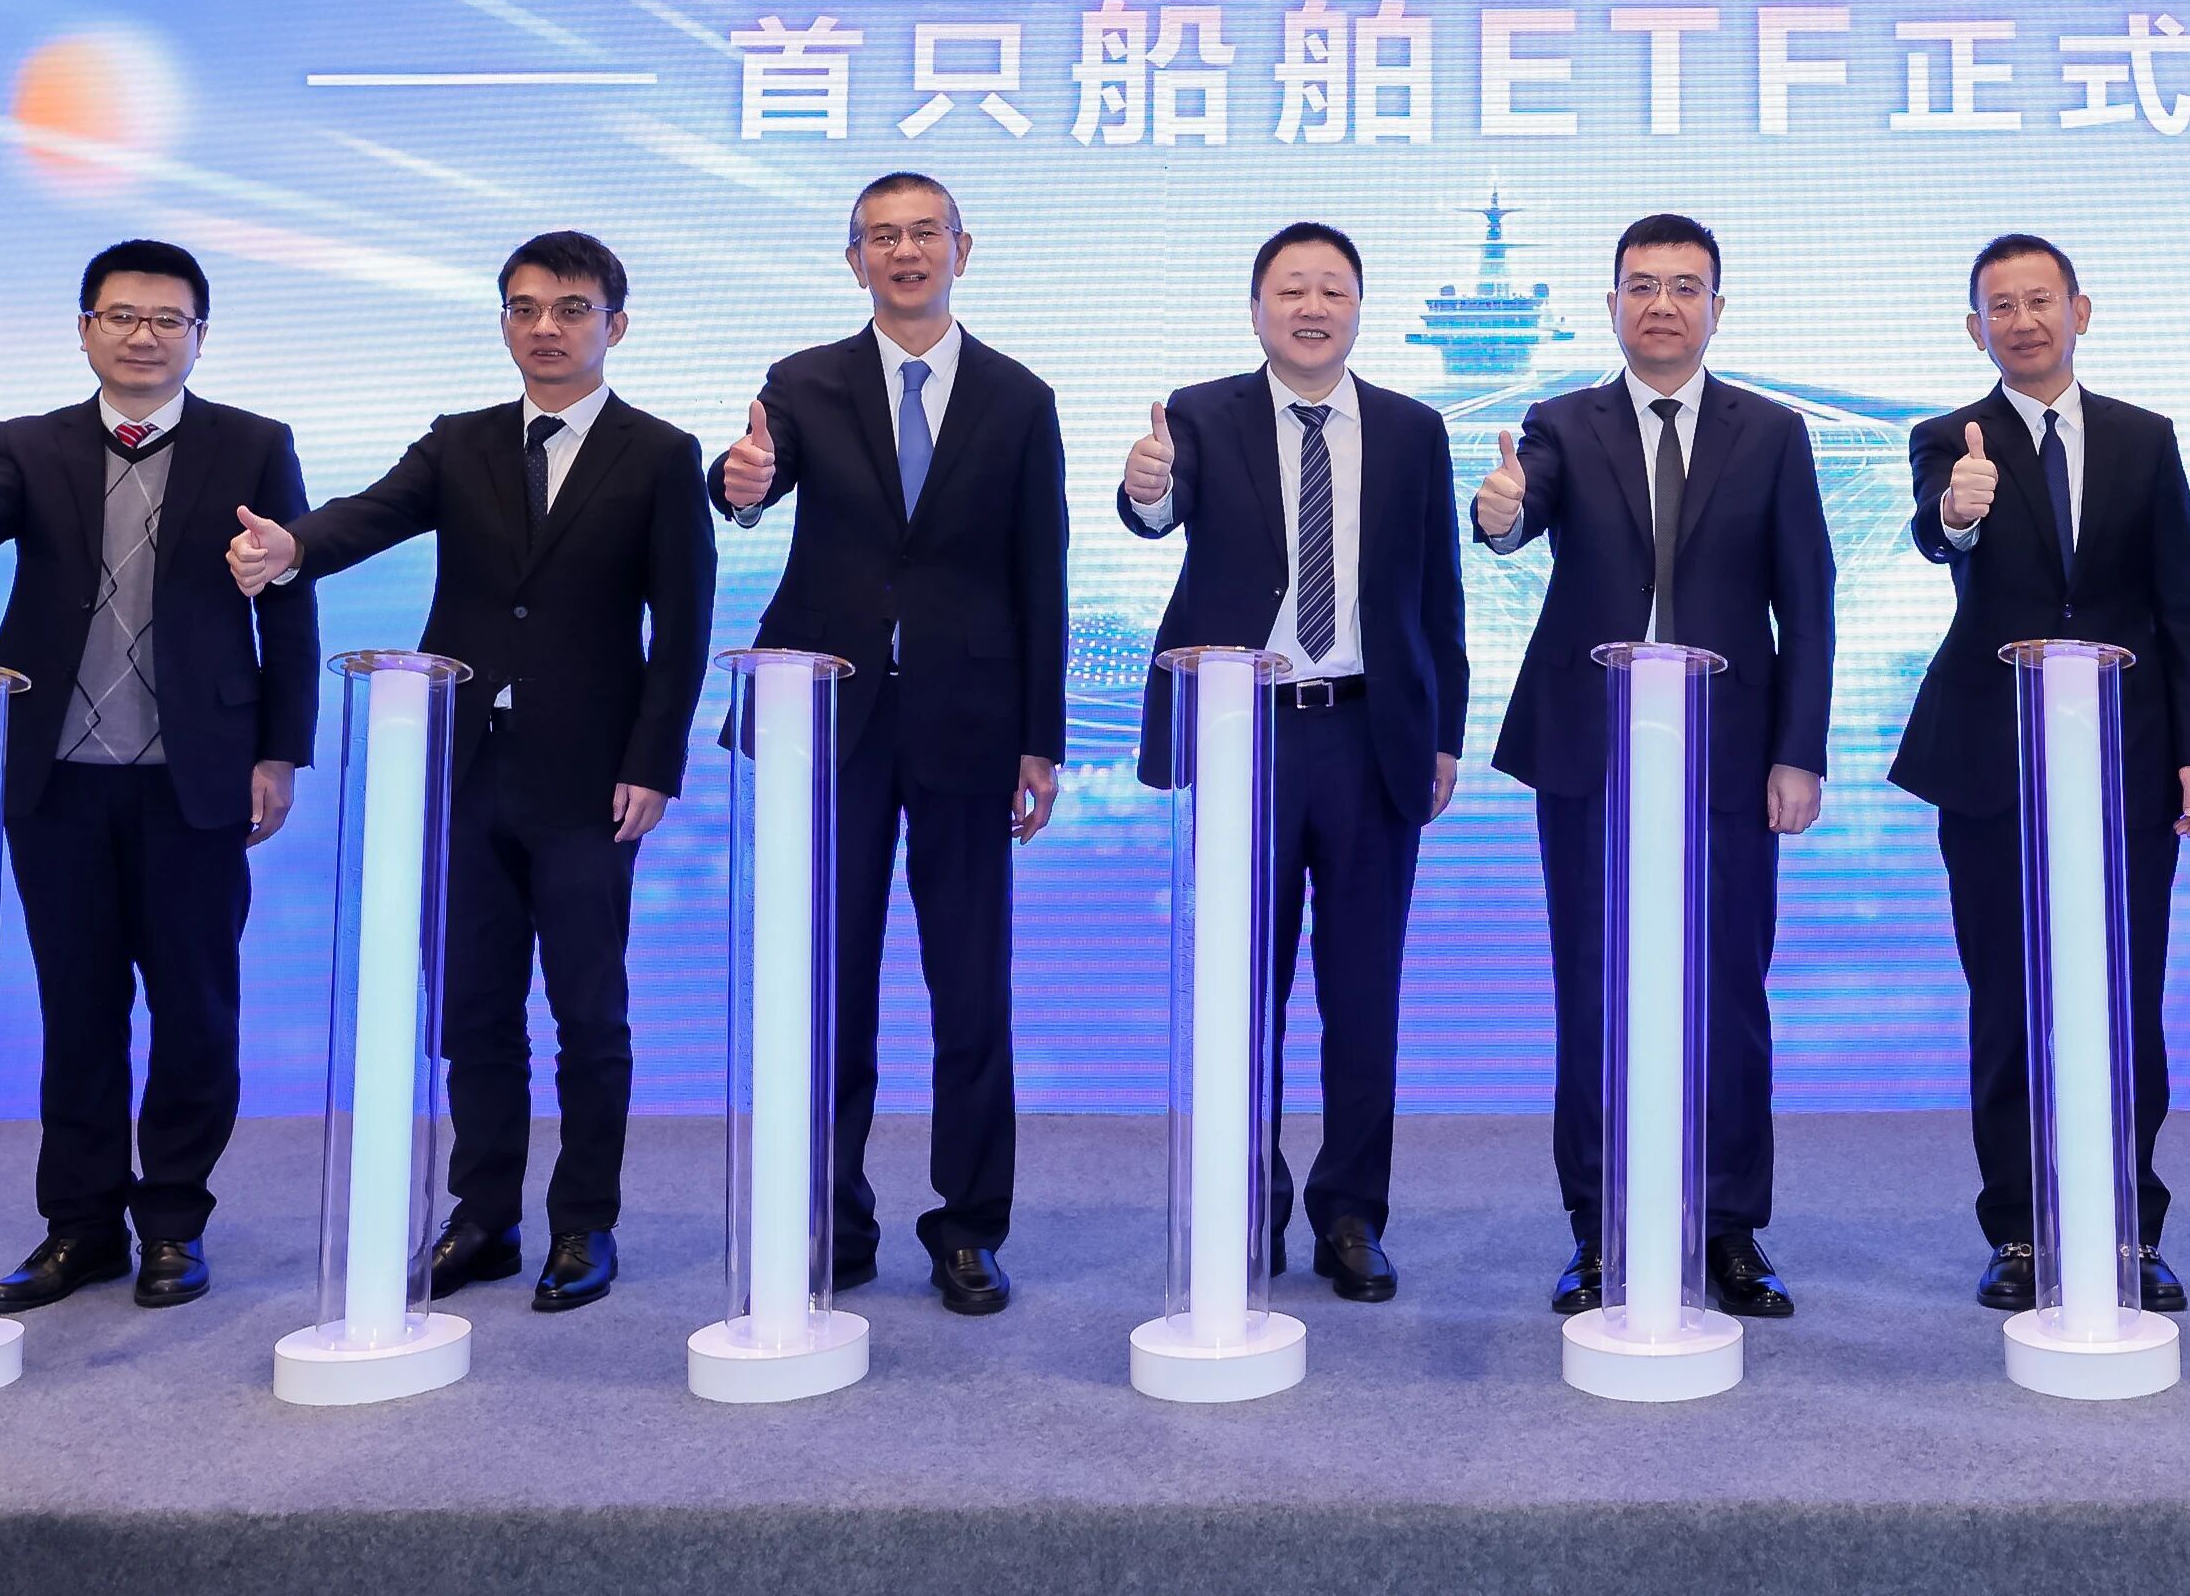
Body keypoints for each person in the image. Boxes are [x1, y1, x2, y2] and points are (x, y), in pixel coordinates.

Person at [228, 231, 712, 1313]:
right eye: (525, 307)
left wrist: (655, 760)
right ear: (504, 322)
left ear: (615, 325)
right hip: (464, 768)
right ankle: (483, 1214)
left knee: (590, 1010)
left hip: (591, 780)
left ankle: (583, 1221)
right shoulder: (460, 442)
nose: (547, 327)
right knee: (473, 1005)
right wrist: (291, 548)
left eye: (572, 309)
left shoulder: (659, 452)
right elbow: (368, 514)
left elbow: (682, 628)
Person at [0, 240, 315, 1314]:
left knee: (195, 1008)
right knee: (78, 1007)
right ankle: (78, 1225)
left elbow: (289, 603)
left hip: (197, 774)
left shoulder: (254, 443)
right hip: (56, 778)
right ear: (85, 327)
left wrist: (280, 748)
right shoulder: (29, 442)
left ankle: (173, 1221)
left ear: (199, 337)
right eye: (122, 315)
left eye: (168, 319)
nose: (144, 335)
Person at [707, 175, 1069, 1315]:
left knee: (971, 989)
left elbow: (1041, 574)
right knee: (828, 981)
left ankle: (969, 1227)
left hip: (971, 722)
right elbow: (754, 480)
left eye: (924, 233)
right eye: (881, 236)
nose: (905, 251)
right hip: (830, 718)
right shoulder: (803, 382)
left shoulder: (1019, 396)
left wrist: (1040, 739)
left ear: (964, 246)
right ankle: (832, 1215)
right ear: (853, 257)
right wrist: (741, 486)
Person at [1473, 212, 1835, 1319]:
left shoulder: (1771, 431)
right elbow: (1518, 512)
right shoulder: (1560, 422)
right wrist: (1500, 515)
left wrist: (1799, 751)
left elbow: (1807, 601)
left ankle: (1728, 1225)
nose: (1663, 304)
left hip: (1729, 754)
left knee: (1729, 993)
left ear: (1718, 307)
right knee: (1594, 988)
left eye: (1685, 285)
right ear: (1613, 303)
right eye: (1642, 284)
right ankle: (1600, 1226)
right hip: (1591, 750)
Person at [1117, 220, 1469, 1302]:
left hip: (1371, 734)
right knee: (1240, 987)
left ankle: (1352, 1213)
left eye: (1332, 289)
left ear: (1358, 307)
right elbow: (1155, 514)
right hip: (1244, 731)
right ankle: (1244, 1203)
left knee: (1363, 994)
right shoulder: (1198, 414)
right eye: (1290, 289)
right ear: (1257, 307)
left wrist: (1445, 732)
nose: (1311, 307)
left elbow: (1439, 594)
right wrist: (1147, 487)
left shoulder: (1413, 429)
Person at [1894, 234, 2190, 1312]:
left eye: (2041, 300)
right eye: (2001, 306)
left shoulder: (2144, 436)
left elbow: (2181, 598)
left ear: (2082, 311)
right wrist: (1958, 510)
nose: (2023, 320)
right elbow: (1936, 535)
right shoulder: (1949, 438)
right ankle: (2018, 1227)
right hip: (1991, 759)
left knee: (2127, 997)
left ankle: (2130, 1221)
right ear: (1975, 327)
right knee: (2007, 999)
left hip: (2129, 759)